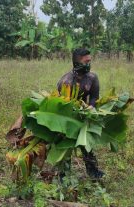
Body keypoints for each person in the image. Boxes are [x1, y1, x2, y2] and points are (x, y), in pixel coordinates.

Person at [57, 48, 104, 179]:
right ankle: (63, 174)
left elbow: (95, 96)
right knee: (65, 144)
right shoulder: (66, 81)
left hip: (84, 114)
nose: (89, 63)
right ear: (77, 63)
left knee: (86, 144)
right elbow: (61, 104)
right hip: (67, 115)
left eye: (90, 60)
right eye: (86, 61)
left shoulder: (92, 78)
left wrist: (91, 106)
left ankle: (93, 171)